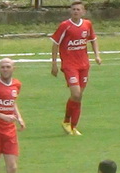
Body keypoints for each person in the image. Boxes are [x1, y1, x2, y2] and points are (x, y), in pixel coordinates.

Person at [50, 0, 101, 136]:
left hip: (84, 65)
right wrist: (54, 64)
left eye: (78, 9)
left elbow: (93, 39)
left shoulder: (87, 24)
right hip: (69, 65)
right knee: (76, 94)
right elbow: (55, 43)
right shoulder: (65, 26)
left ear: (83, 12)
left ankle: (72, 126)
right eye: (73, 9)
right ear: (70, 11)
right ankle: (68, 122)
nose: (76, 12)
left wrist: (97, 55)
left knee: (78, 96)